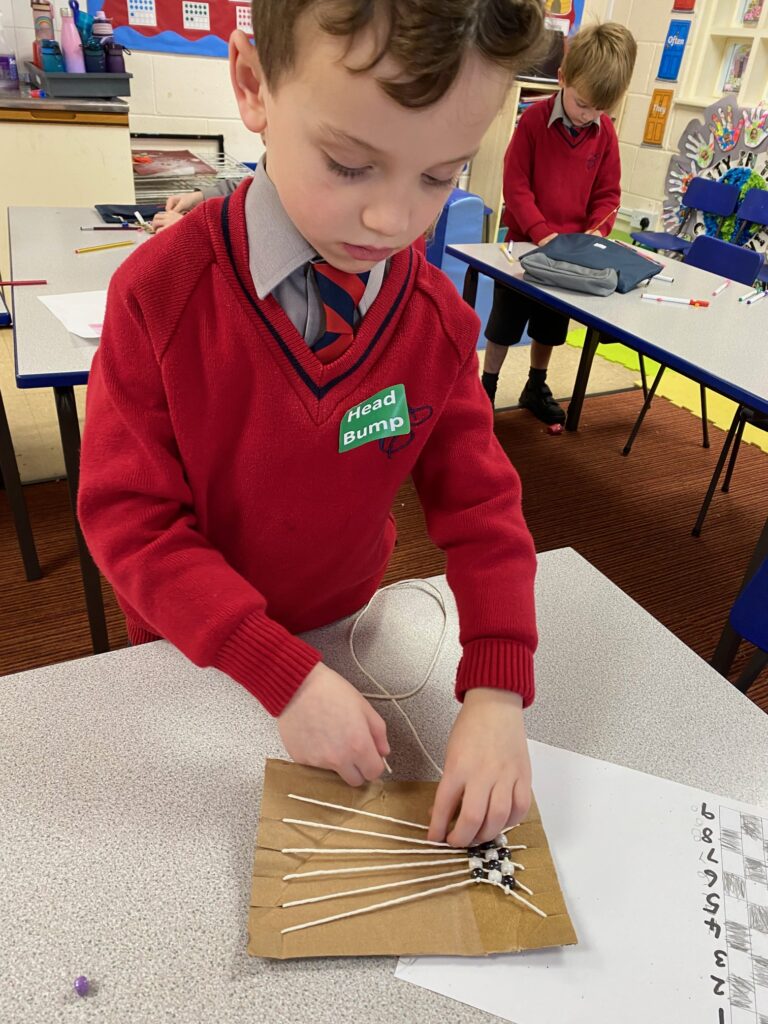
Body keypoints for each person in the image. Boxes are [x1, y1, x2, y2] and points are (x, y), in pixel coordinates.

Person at [78, 0, 545, 849]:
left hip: (348, 636)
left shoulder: (435, 322)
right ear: (254, 85)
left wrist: (497, 689)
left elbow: (484, 513)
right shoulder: (159, 296)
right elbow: (130, 520)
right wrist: (278, 674)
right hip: (195, 649)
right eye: (348, 163)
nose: (393, 222)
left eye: (440, 176)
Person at [481, 22, 637, 423]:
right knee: (503, 324)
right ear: (562, 79)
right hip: (524, 247)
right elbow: (515, 184)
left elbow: (608, 195)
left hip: (570, 255)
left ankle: (536, 383)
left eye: (600, 109)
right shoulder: (533, 121)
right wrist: (540, 232)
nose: (589, 116)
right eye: (583, 103)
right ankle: (487, 386)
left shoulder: (604, 135)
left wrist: (595, 234)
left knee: (550, 327)